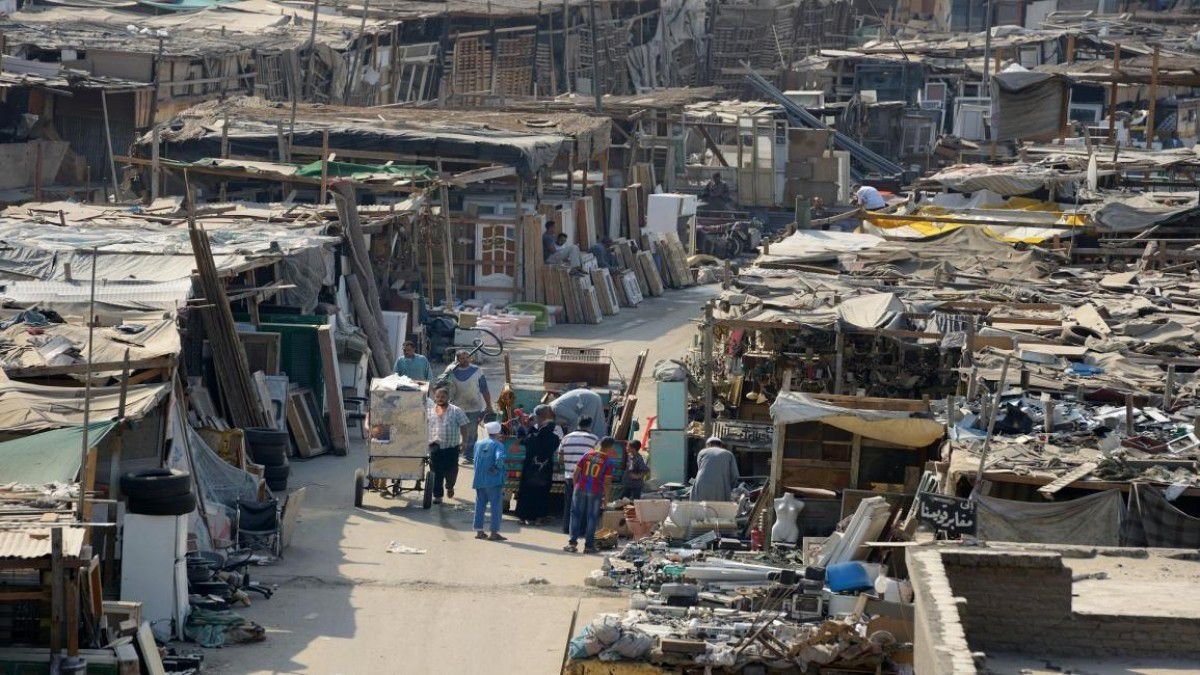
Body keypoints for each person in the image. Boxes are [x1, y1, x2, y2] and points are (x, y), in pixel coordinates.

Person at [563, 436, 617, 554]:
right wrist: (606, 499)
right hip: (595, 491)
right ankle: (589, 546)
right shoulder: (608, 461)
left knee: (576, 515)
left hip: (580, 488)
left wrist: (576, 487)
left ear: (600, 444)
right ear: (610, 447)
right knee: (592, 517)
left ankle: (572, 543)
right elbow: (607, 483)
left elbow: (576, 473)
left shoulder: (587, 455)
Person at [439, 350, 492, 465]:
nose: (465, 360)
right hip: (455, 408)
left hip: (474, 407)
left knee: (471, 433)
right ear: (457, 359)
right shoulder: (451, 370)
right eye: (462, 358)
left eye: (467, 357)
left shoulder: (477, 371)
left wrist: (489, 405)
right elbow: (441, 385)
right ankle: (453, 454)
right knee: (452, 432)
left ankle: (469, 456)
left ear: (470, 358)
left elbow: (484, 389)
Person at [516, 404, 559, 525]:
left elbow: (522, 440)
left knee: (526, 492)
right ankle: (539, 518)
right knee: (542, 493)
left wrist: (527, 427)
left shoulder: (532, 437)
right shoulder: (554, 438)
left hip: (529, 470)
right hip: (545, 470)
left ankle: (523, 517)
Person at [426, 387, 470, 504]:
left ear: (448, 397)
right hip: (435, 446)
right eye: (438, 397)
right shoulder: (430, 411)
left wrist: (464, 441)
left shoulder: (456, 410)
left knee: (451, 471)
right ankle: (438, 496)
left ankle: (450, 486)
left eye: (443, 397)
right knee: (436, 471)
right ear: (435, 398)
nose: (440, 399)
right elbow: (424, 426)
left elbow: (464, 426)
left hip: (451, 447)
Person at [557, 416, 599, 534]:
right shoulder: (594, 439)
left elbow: (560, 458)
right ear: (590, 425)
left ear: (578, 424)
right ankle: (580, 530)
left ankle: (567, 528)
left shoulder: (566, 438)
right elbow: (597, 459)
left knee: (570, 504)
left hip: (569, 476)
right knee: (584, 504)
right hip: (587, 477)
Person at [473, 421, 508, 541]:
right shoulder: (498, 445)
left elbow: (475, 459)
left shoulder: (478, 443)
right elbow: (500, 458)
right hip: (494, 481)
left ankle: (479, 531)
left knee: (480, 505)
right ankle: (494, 533)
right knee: (496, 507)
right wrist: (496, 468)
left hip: (479, 480)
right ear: (498, 432)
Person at [690, 436, 739, 502]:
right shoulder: (728, 454)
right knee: (719, 506)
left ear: (708, 444)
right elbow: (735, 475)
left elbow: (700, 467)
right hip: (720, 486)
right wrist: (730, 486)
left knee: (701, 505)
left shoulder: (702, 452)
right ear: (720, 445)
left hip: (702, 484)